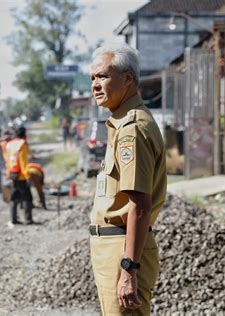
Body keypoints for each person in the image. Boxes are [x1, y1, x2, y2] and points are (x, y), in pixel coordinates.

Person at [88, 43, 166, 315]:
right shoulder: (121, 124)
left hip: (122, 249)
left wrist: (129, 268)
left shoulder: (132, 130)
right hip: (113, 247)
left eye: (103, 76)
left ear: (128, 78)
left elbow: (139, 205)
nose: (95, 85)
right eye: (93, 78)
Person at [5, 126, 34, 226]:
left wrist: (8, 173)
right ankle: (28, 219)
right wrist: (28, 176)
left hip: (12, 174)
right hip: (21, 175)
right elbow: (23, 162)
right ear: (24, 134)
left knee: (14, 197)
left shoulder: (10, 144)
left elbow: (7, 160)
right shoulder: (22, 144)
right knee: (27, 197)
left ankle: (13, 219)